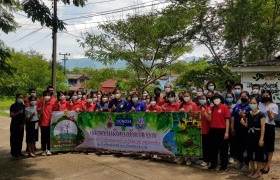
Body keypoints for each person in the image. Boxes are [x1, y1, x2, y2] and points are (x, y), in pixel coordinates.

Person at [240, 98, 265, 178]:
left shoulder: (261, 114)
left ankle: (258, 172)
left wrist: (261, 139)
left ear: (258, 104)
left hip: (257, 136)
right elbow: (248, 125)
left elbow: (263, 127)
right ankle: (252, 171)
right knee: (250, 154)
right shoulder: (248, 114)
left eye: (254, 103)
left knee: (258, 154)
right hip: (249, 136)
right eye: (251, 103)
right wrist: (243, 124)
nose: (252, 104)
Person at [208, 94, 230, 172]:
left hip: (222, 130)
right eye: (214, 99)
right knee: (213, 149)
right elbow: (209, 119)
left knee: (223, 149)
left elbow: (227, 120)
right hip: (213, 130)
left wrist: (227, 132)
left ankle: (224, 166)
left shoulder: (224, 107)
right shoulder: (212, 108)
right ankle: (213, 164)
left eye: (217, 98)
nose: (215, 100)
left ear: (220, 99)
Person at [258, 90, 278, 174]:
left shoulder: (274, 105)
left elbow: (271, 118)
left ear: (270, 96)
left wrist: (269, 112)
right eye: (264, 95)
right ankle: (262, 162)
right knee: (261, 145)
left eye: (267, 95)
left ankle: (267, 164)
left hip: (269, 126)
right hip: (259, 126)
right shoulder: (259, 104)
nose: (265, 96)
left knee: (269, 146)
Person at [231, 91, 251, 170]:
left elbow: (252, 119)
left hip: (246, 129)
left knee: (246, 146)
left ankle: (246, 164)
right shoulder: (237, 105)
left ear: (248, 97)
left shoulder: (250, 106)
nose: (243, 98)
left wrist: (243, 116)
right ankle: (240, 161)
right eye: (241, 96)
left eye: (245, 96)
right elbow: (233, 116)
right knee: (238, 146)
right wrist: (232, 127)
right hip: (237, 128)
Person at [37, 91, 53, 156]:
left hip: (50, 123)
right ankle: (43, 150)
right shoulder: (40, 103)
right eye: (45, 95)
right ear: (43, 96)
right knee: (43, 137)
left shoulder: (52, 104)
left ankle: (49, 149)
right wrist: (43, 105)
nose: (47, 97)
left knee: (49, 137)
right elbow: (40, 113)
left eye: (48, 95)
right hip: (43, 123)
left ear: (50, 97)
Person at [197, 95, 212, 167]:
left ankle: (207, 160)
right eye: (200, 99)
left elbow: (210, 119)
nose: (202, 100)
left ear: (206, 99)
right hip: (199, 130)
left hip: (208, 130)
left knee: (207, 146)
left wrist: (205, 112)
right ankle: (204, 159)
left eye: (203, 98)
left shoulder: (210, 107)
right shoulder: (197, 108)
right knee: (202, 146)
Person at [10, 93, 25, 159]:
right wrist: (18, 112)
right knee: (14, 139)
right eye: (19, 97)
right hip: (14, 125)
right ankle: (14, 154)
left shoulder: (23, 106)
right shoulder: (13, 106)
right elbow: (11, 115)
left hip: (21, 125)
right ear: (16, 98)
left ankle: (19, 152)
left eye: (22, 98)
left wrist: (23, 123)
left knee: (20, 139)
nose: (20, 99)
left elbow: (24, 116)